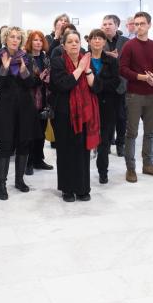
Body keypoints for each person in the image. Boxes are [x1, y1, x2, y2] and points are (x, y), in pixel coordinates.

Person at [0, 26, 41, 200]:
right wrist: (4, 69)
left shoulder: (26, 57)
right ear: (5, 39)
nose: (15, 40)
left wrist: (24, 72)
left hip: (25, 106)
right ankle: (2, 185)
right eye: (11, 37)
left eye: (18, 37)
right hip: (5, 106)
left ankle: (19, 180)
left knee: (24, 143)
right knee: (5, 145)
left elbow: (33, 83)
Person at [50, 30, 100, 200]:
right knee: (65, 152)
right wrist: (79, 69)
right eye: (70, 41)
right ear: (63, 45)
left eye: (76, 41)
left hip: (84, 114)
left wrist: (86, 70)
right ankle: (67, 189)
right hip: (64, 114)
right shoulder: (57, 62)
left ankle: (82, 188)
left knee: (82, 152)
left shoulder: (86, 61)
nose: (74, 44)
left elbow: (95, 87)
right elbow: (64, 85)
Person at [119, 11, 153, 182]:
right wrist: (142, 77)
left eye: (142, 23)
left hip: (152, 95)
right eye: (136, 24)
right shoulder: (129, 46)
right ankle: (130, 168)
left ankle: (148, 164)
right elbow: (122, 69)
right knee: (131, 133)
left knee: (150, 132)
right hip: (134, 94)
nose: (139, 27)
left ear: (149, 25)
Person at [86, 29, 121, 184]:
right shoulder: (83, 60)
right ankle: (83, 171)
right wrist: (98, 86)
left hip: (108, 105)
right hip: (88, 104)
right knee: (86, 139)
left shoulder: (111, 60)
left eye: (100, 38)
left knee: (105, 140)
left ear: (104, 42)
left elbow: (115, 82)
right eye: (94, 38)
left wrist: (96, 85)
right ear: (89, 41)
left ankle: (103, 171)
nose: (97, 41)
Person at [23, 30, 54, 174]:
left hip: (44, 99)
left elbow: (50, 76)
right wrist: (40, 78)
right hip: (29, 99)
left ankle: (38, 160)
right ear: (30, 42)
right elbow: (25, 80)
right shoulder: (25, 58)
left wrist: (49, 80)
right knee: (30, 133)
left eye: (40, 40)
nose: (38, 43)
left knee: (41, 132)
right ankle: (27, 162)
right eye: (35, 40)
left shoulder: (45, 58)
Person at [101, 14, 128, 157]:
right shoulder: (97, 40)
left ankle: (120, 144)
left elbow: (130, 62)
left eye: (109, 24)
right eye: (104, 24)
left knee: (122, 117)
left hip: (122, 85)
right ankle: (106, 143)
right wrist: (105, 55)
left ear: (117, 26)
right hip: (105, 86)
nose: (106, 26)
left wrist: (118, 58)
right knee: (106, 118)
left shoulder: (126, 42)